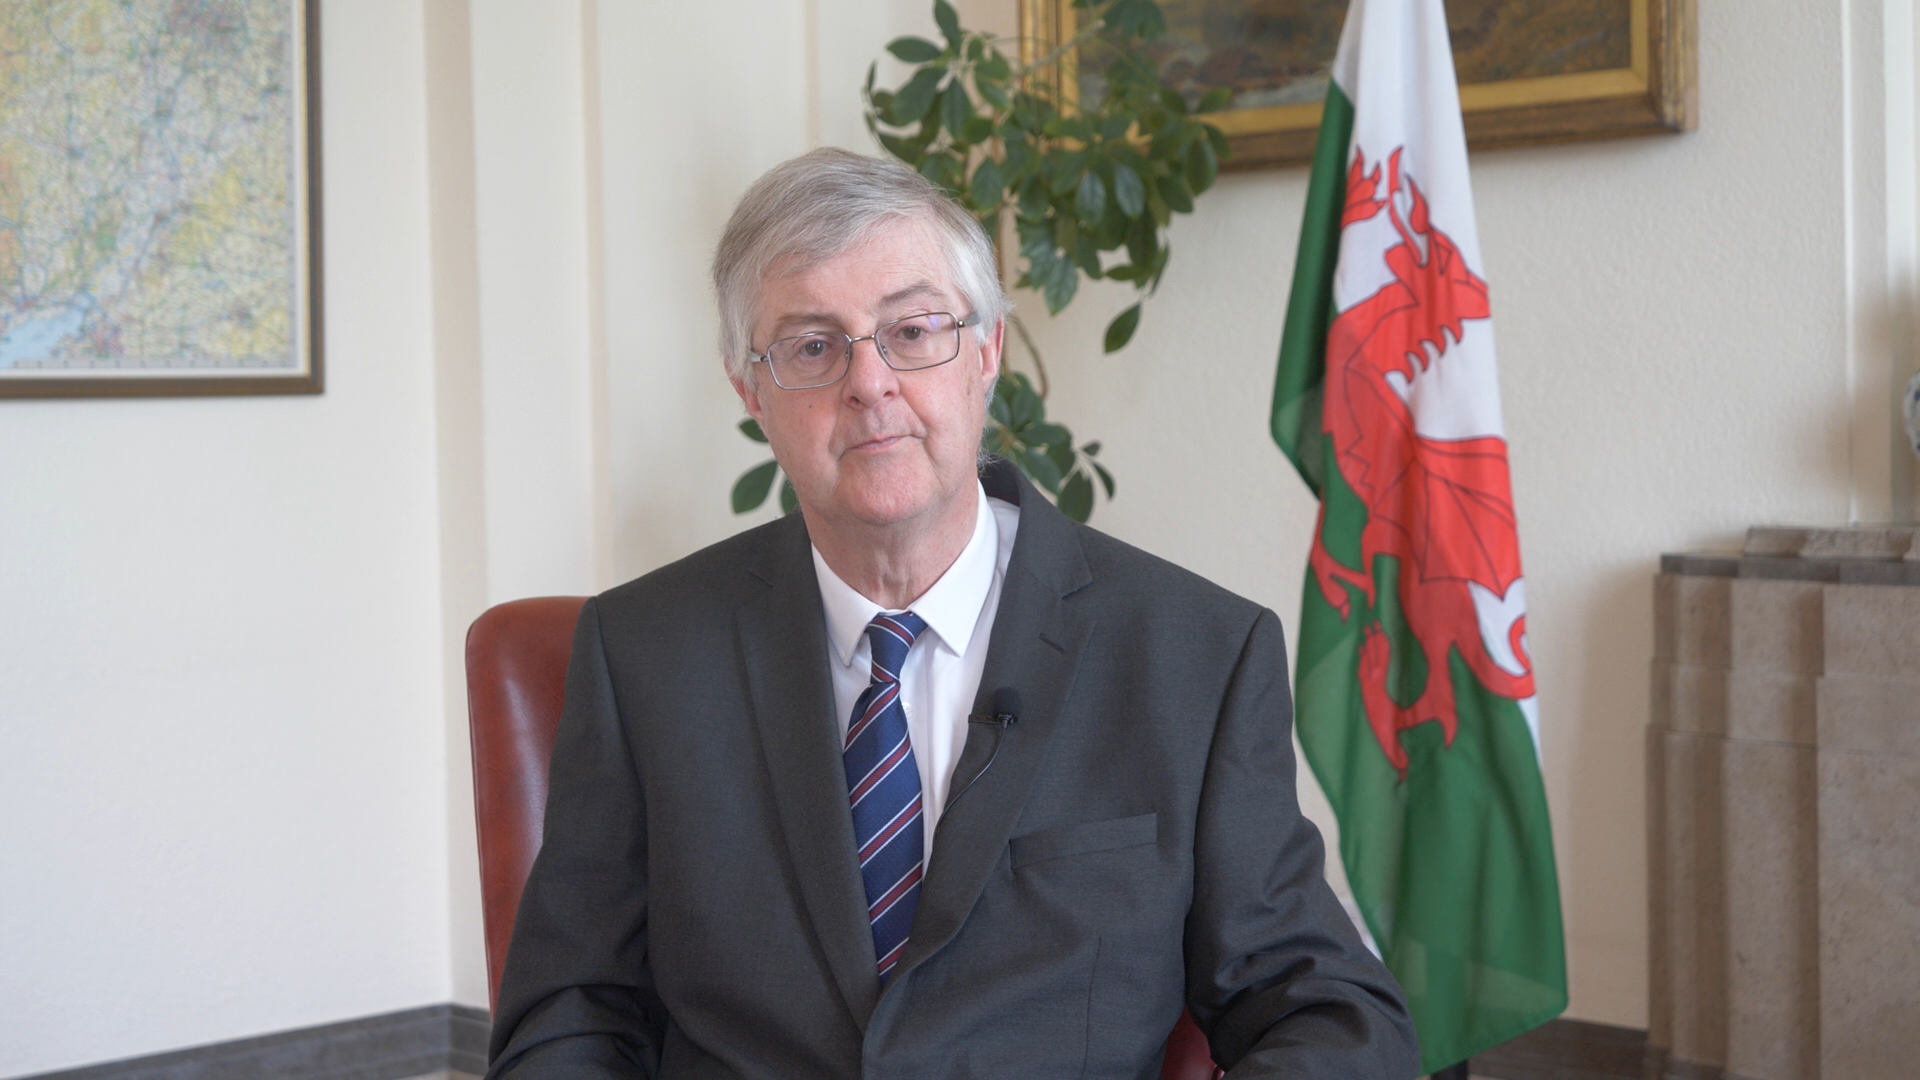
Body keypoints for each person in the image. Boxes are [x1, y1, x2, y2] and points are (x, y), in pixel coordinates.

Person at [485, 148, 1420, 1079]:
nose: (870, 383)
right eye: (812, 346)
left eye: (913, 330)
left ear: (986, 354)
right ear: (751, 394)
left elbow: (1332, 1015)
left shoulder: (1195, 656)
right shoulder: (643, 656)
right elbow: (571, 1013)